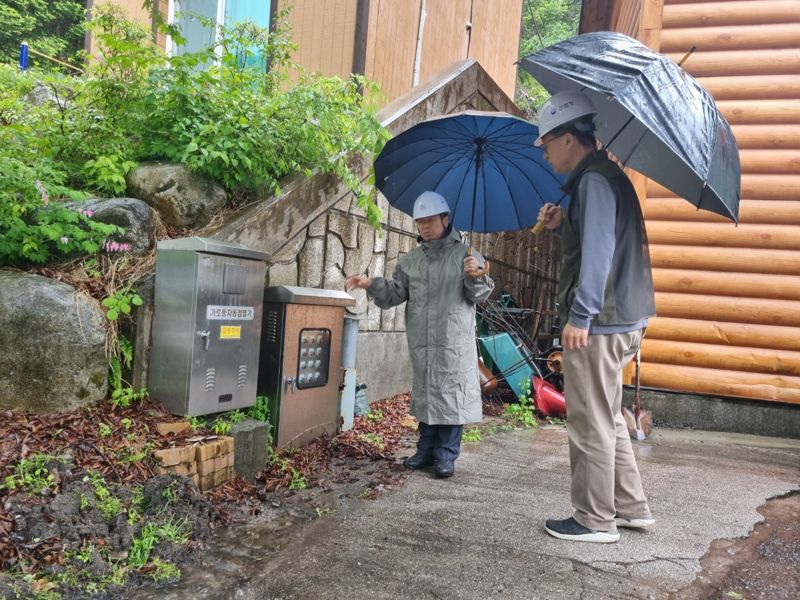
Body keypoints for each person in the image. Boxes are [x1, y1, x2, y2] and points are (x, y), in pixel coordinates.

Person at [534, 90, 656, 543]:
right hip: (623, 317)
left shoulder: (593, 181)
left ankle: (594, 520)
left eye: (546, 142)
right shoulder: (603, 177)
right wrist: (564, 224)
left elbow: (601, 254)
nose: (545, 153)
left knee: (589, 422)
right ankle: (630, 508)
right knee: (607, 415)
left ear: (569, 138)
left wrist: (580, 316)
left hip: (600, 322)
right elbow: (600, 239)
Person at [345, 191, 493, 478]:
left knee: (450, 394)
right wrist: (370, 284)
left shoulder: (466, 255)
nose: (424, 226)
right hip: (422, 339)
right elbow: (394, 295)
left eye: (430, 220)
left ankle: (446, 455)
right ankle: (425, 450)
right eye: (419, 222)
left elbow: (480, 295)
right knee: (426, 393)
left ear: (445, 219)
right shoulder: (411, 261)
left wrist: (475, 274)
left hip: (452, 340)